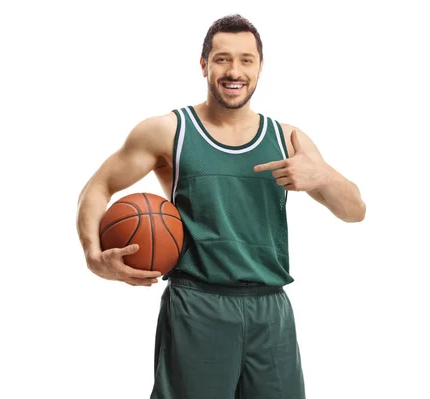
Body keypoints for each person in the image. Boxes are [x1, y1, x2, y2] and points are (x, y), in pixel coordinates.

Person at [76, 13, 366, 399]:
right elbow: (98, 187)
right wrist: (94, 256)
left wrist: (324, 177)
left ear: (260, 66)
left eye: (246, 59)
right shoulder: (169, 131)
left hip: (271, 309)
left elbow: (355, 210)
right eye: (222, 58)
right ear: (204, 65)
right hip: (198, 304)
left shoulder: (289, 139)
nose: (235, 70)